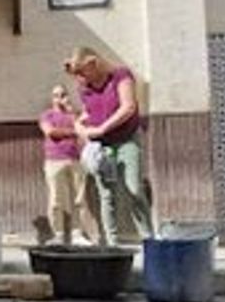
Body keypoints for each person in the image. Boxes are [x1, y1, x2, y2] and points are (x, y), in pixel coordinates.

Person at [69, 48, 154, 245]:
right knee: (107, 194)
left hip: (126, 140)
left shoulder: (120, 76)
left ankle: (149, 239)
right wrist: (79, 126)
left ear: (94, 63)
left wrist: (102, 128)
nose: (81, 78)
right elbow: (88, 113)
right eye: (78, 75)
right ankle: (112, 242)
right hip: (102, 147)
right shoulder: (85, 88)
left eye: (83, 72)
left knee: (133, 188)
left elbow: (128, 107)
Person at [38, 84, 92, 245]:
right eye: (56, 95)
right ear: (51, 98)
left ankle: (77, 234)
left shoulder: (73, 115)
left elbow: (82, 131)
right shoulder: (46, 115)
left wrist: (71, 114)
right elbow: (50, 132)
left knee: (79, 198)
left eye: (63, 94)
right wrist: (73, 132)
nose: (59, 98)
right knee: (56, 199)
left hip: (75, 159)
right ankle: (58, 235)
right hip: (54, 160)